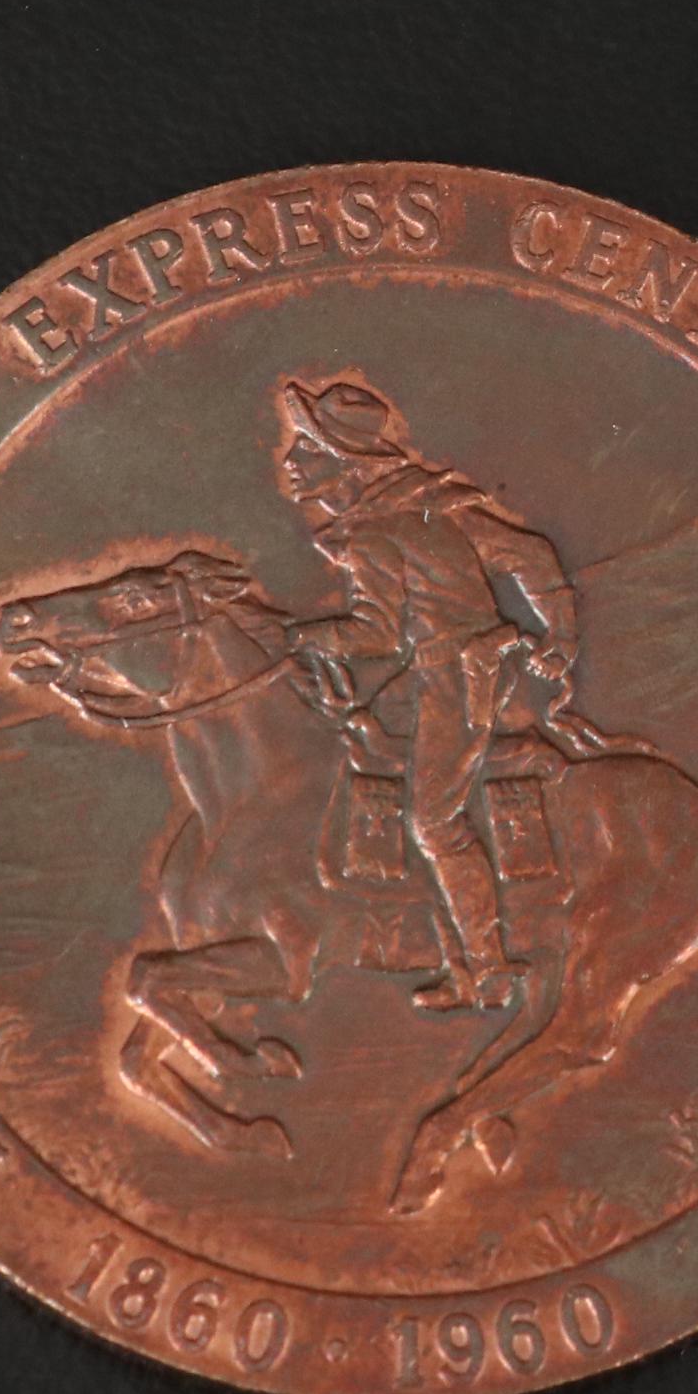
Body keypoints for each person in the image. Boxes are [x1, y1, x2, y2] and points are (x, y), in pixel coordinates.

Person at [273, 374, 579, 1011]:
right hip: (451, 667)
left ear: (343, 463)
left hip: (457, 677)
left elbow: (374, 633)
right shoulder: (433, 506)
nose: (289, 463)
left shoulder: (370, 535)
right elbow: (534, 555)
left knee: (432, 820)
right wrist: (561, 633)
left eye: (304, 451)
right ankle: (443, 948)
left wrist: (305, 636)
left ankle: (490, 971)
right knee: (362, 740)